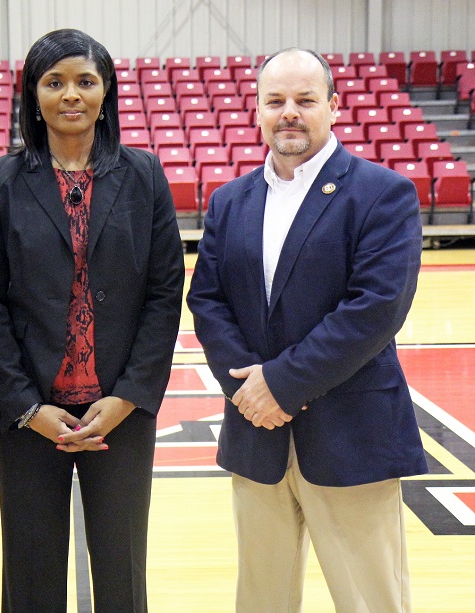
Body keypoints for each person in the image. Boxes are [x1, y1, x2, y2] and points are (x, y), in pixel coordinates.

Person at [187, 48, 427, 612]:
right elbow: (207, 303)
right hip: (256, 437)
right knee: (262, 600)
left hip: (352, 436)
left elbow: (374, 310)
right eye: (275, 101)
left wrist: (280, 386)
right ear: (257, 111)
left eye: (304, 100)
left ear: (334, 108)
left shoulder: (382, 193)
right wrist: (250, 394)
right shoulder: (229, 202)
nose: (288, 113)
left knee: (372, 599)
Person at [0, 29, 184, 613]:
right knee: (31, 568)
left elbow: (166, 294)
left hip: (119, 410)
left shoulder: (144, 175)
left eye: (85, 81)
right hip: (31, 414)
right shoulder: (0, 183)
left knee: (122, 566)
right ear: (32, 96)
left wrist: (130, 396)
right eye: (54, 82)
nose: (71, 94)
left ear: (106, 93)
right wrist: (24, 406)